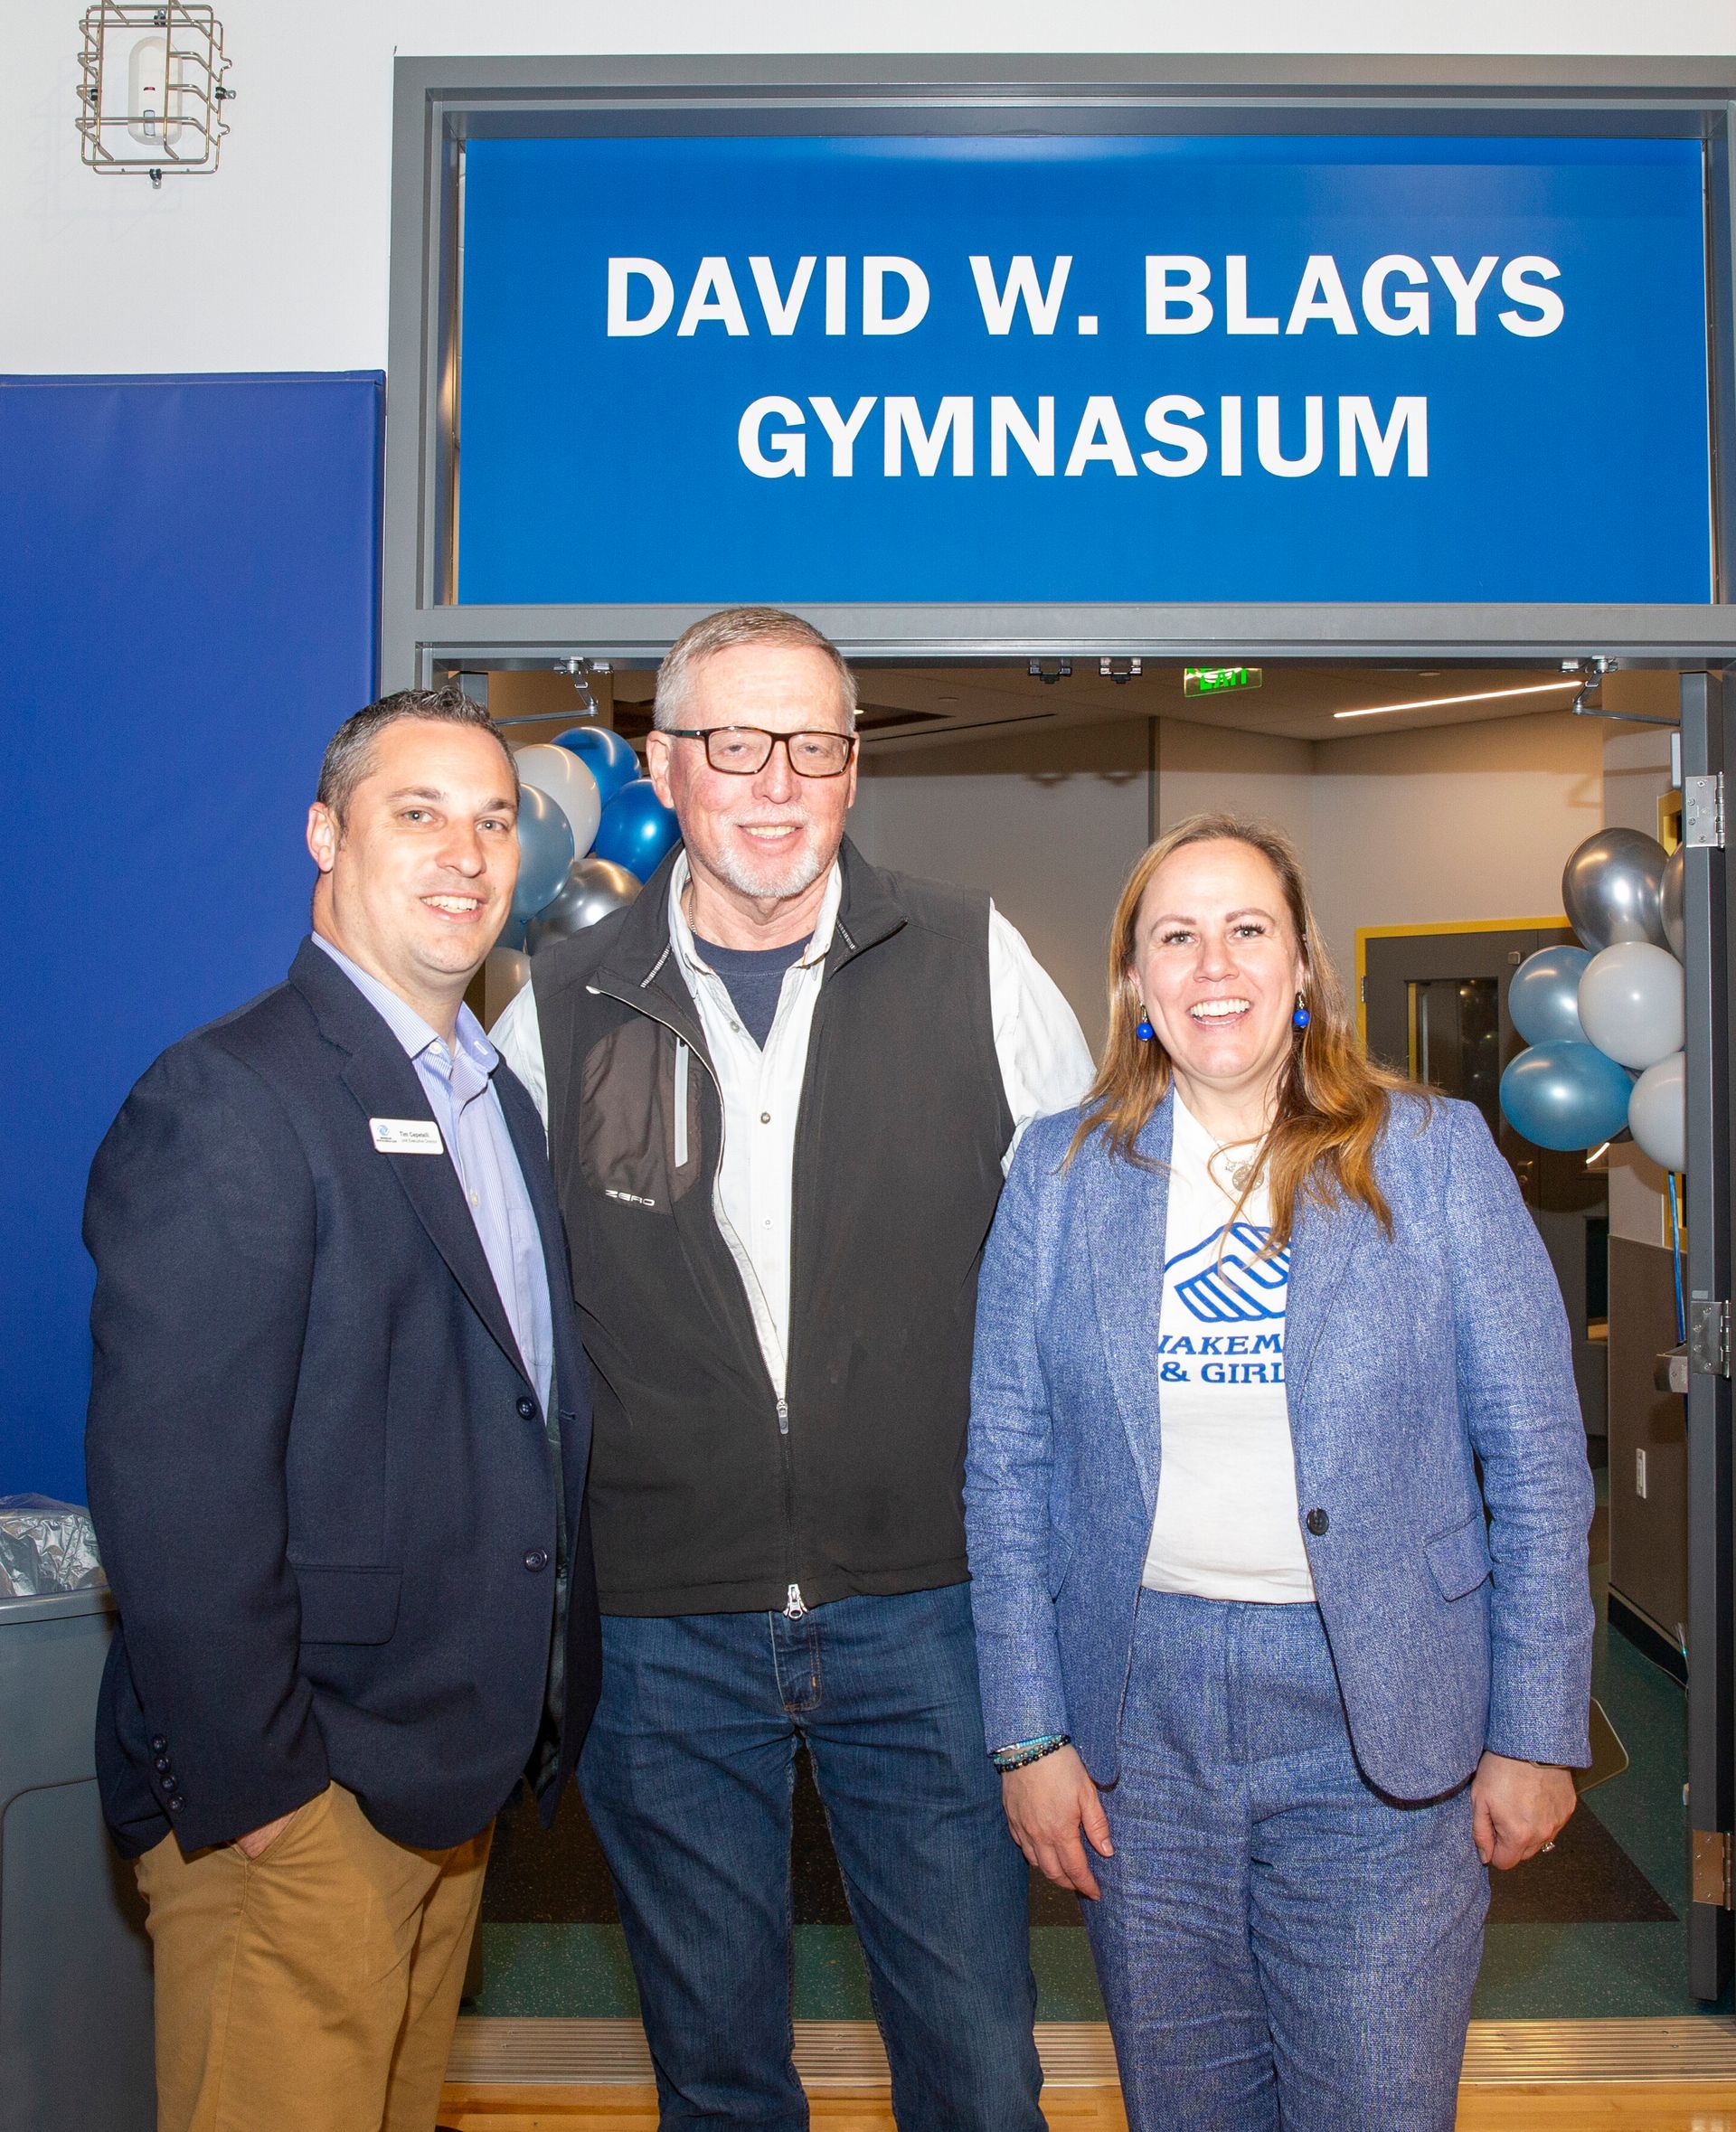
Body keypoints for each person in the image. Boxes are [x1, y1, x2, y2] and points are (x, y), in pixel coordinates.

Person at [492, 606, 1093, 2128]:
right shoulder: (557, 1007)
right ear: (663, 765)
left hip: (931, 1611)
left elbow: (1084, 1278)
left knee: (977, 2063)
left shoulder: (976, 958)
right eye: (734, 744)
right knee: (716, 2076)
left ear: (853, 763)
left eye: (813, 745)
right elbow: (498, 1318)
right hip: (662, 1627)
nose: (775, 783)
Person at [965, 812, 1594, 2132]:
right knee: (1186, 2105)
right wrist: (1029, 1735)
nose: (1214, 966)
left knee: (1375, 2103)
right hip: (1140, 1720)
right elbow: (1007, 1467)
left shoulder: (1431, 1155)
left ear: (1302, 962)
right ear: (1134, 980)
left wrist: (1536, 1728)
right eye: (1175, 937)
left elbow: (1537, 1458)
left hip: (1380, 1714)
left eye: (1247, 929)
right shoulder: (1061, 1174)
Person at [84, 687, 600, 2132]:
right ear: (326, 834)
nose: (465, 853)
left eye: (491, 820)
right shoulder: (229, 1096)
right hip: (299, 1807)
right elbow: (176, 1495)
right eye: (416, 812)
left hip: (441, 1789)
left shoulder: (494, 1103)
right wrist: (271, 1800)